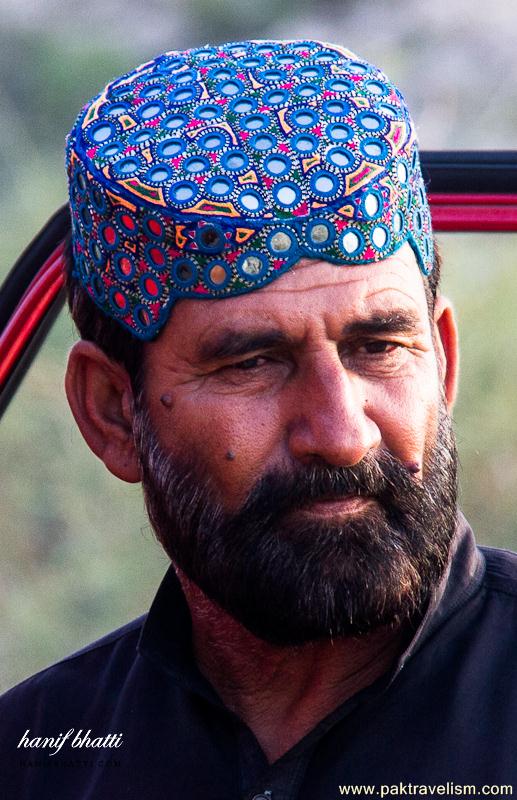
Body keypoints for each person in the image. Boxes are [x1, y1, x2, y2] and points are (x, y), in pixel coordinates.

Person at [1, 38, 517, 799]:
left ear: (440, 357)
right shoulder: (39, 758)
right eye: (252, 363)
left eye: (378, 346)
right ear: (112, 414)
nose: (341, 434)